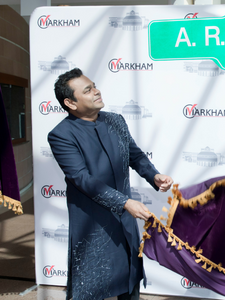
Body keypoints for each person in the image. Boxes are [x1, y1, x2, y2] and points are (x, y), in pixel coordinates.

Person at [48, 68, 173, 300]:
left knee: (129, 281)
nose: (96, 91)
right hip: (92, 224)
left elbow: (135, 156)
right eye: (88, 90)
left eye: (94, 86)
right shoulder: (61, 135)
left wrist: (153, 176)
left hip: (125, 219)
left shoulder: (116, 120)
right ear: (70, 102)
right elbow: (81, 178)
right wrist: (125, 203)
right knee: (90, 287)